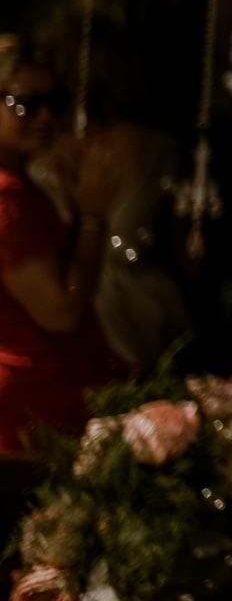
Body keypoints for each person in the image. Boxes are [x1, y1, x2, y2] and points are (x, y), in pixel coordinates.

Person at [0, 36, 119, 450]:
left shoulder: (22, 188)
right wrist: (91, 219)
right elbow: (60, 313)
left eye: (56, 102)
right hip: (33, 409)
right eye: (26, 104)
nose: (46, 117)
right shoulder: (5, 198)